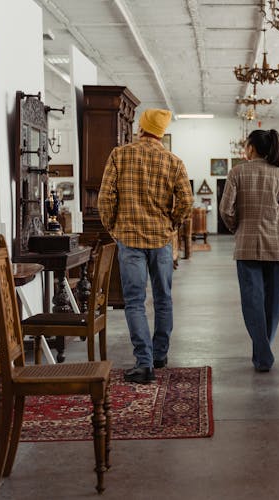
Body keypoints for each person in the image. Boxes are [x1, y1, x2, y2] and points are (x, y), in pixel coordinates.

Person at [98, 108, 193, 384]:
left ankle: (144, 362)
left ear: (140, 127)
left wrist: (115, 228)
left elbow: (105, 199)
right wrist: (171, 224)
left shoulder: (119, 155)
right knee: (163, 299)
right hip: (161, 240)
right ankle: (160, 354)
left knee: (135, 302)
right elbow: (186, 202)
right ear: (161, 132)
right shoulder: (173, 161)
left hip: (129, 240)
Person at [219, 129, 279, 372]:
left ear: (251, 148)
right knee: (273, 302)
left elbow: (226, 210)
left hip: (247, 245)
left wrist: (237, 228)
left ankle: (262, 353)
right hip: (276, 244)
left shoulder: (237, 172)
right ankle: (264, 350)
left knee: (252, 302)